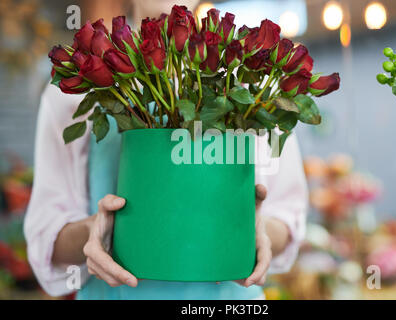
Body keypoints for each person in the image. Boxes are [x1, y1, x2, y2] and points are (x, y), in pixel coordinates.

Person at [23, 1, 309, 300]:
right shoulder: (73, 91)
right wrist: (100, 232)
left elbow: (288, 219)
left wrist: (252, 230)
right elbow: (47, 237)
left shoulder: (256, 78)